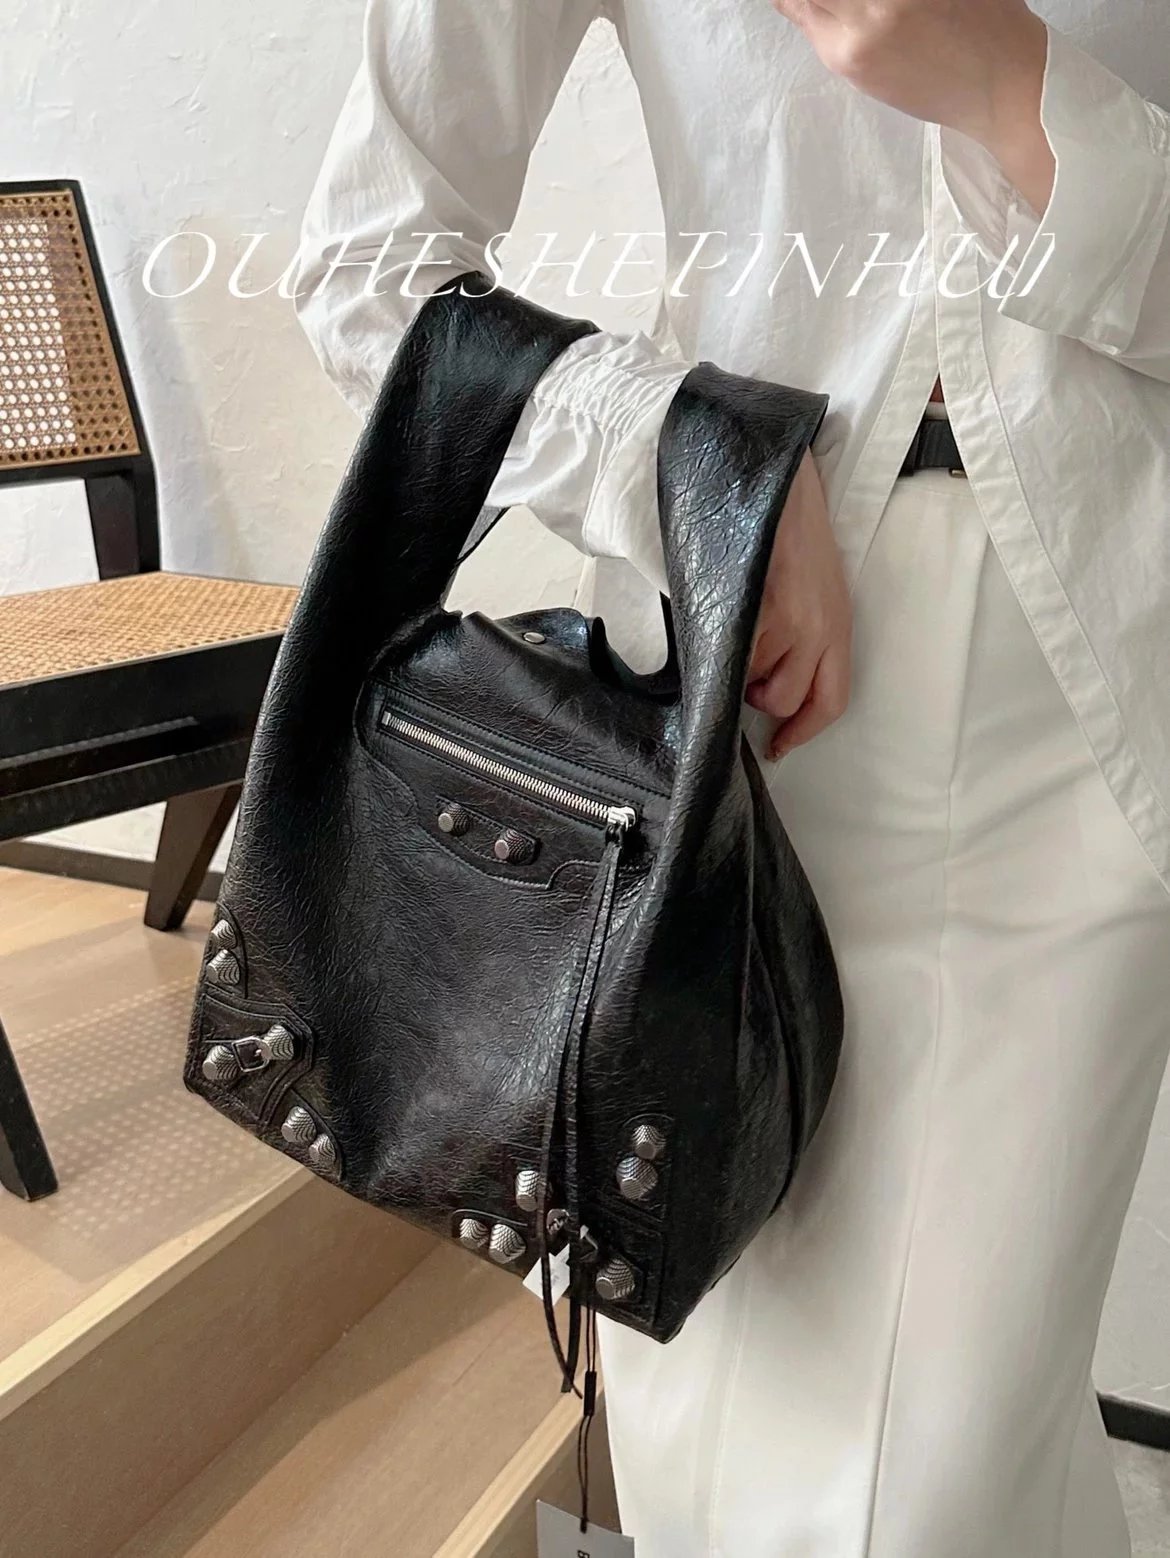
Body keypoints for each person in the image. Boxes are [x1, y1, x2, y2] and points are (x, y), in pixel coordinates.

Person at [291, 3, 1170, 1553]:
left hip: (1094, 675)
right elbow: (367, 264)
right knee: (722, 1433)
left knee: (948, 1464)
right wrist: (681, 450)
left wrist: (1005, 86)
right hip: (738, 699)